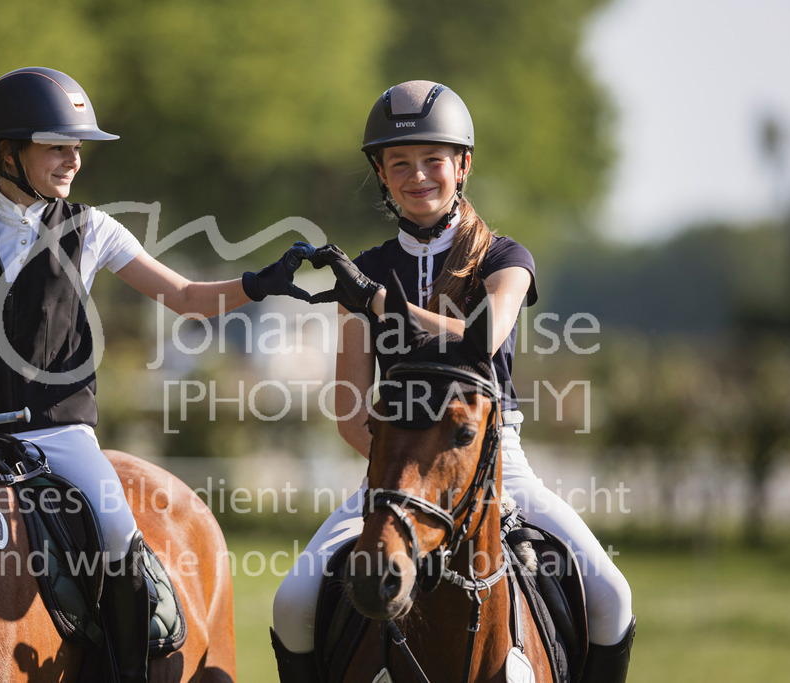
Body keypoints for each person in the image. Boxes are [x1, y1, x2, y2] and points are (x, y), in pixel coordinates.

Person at [0, 66, 312, 683]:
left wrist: (259, 285)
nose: (74, 160)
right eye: (59, 146)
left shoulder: (92, 229)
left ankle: (127, 671)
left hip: (62, 436)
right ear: (9, 153)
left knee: (116, 530)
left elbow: (184, 296)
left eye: (77, 148)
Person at [269, 80, 636, 683]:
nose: (418, 176)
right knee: (292, 603)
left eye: (432, 161)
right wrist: (406, 473)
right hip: (393, 465)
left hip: (495, 459)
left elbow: (480, 335)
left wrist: (377, 302)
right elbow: (348, 409)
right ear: (382, 176)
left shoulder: (505, 259)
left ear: (462, 165)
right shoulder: (365, 272)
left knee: (611, 597)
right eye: (400, 165)